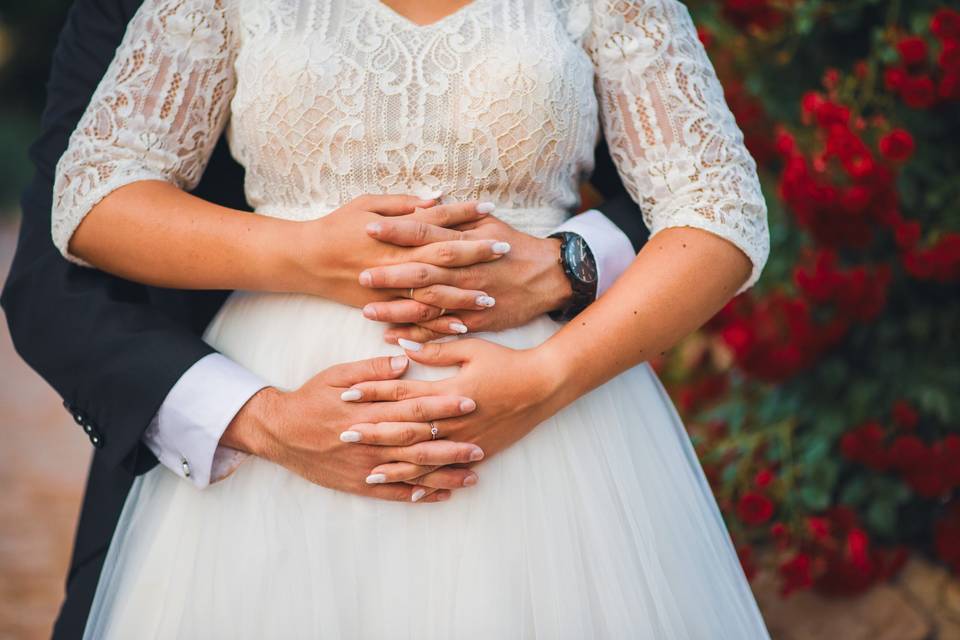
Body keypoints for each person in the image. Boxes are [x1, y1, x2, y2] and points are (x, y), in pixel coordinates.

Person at [34, 0, 772, 636]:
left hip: (554, 431)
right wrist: (305, 254)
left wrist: (545, 376)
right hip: (277, 427)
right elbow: (95, 194)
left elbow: (721, 210)